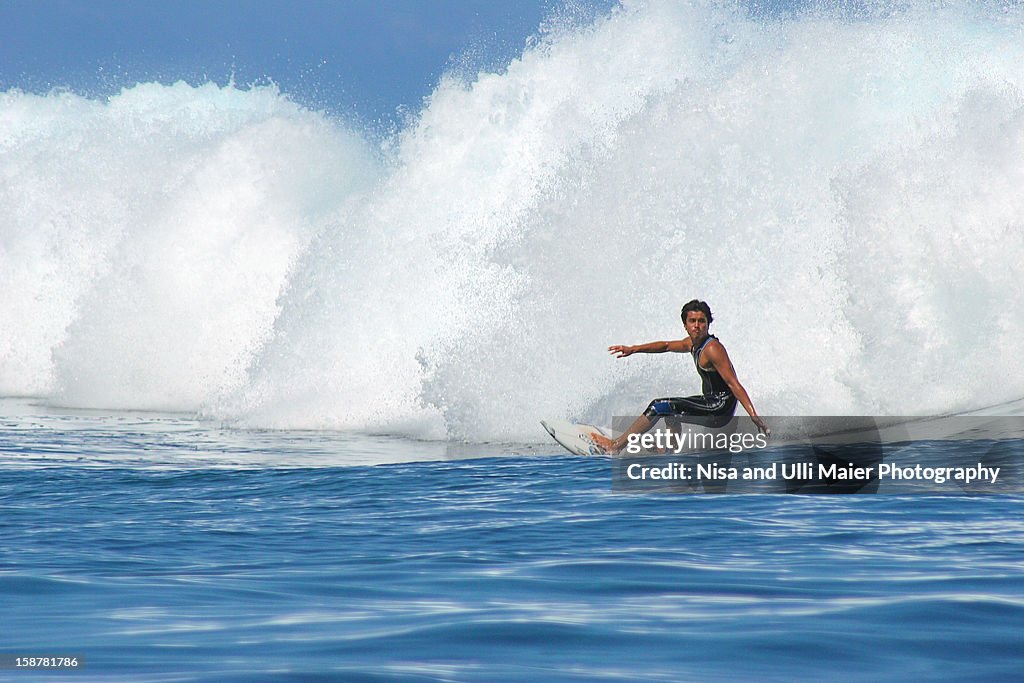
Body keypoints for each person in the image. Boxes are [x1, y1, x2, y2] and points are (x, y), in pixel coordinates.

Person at [589, 299, 768, 454]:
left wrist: (753, 415)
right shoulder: (692, 343)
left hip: (719, 408)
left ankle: (616, 446)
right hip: (711, 402)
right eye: (692, 321)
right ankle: (669, 451)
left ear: (708, 324)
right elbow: (666, 346)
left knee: (659, 406)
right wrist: (633, 349)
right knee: (671, 412)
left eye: (702, 321)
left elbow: (733, 384)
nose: (697, 325)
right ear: (685, 325)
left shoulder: (713, 349)